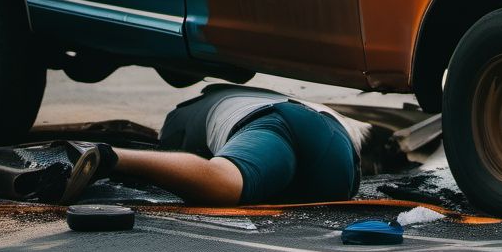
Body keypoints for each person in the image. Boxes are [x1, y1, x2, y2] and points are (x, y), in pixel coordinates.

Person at [87, 85, 368, 206]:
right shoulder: (233, 97)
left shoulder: (178, 121)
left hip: (280, 128)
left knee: (225, 181)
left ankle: (109, 156)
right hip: (339, 149)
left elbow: (201, 172)